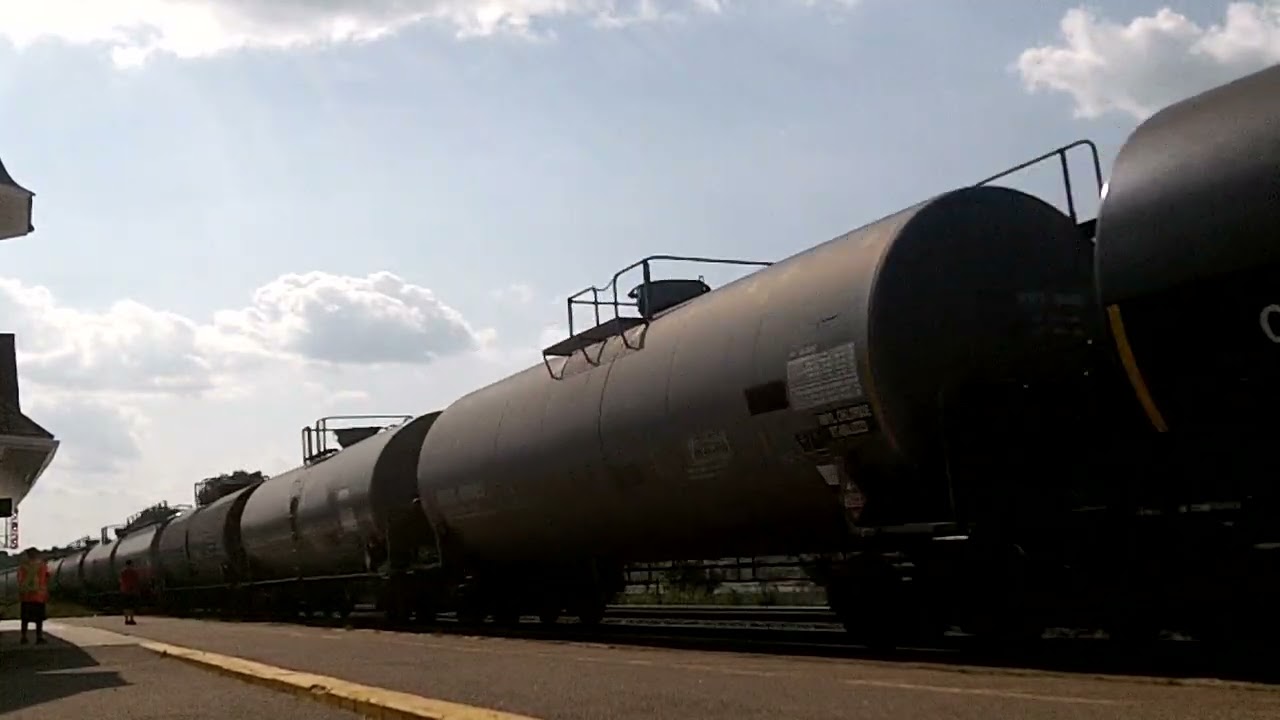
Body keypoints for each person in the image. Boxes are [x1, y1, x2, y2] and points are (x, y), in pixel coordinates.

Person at [17, 547, 49, 645]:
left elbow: (19, 579)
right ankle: (39, 637)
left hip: (26, 596)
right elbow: (46, 578)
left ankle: (24, 637)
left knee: (25, 619)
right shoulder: (42, 566)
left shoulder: (23, 567)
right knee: (39, 619)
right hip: (38, 596)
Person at [119, 559, 140, 626]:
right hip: (131, 591)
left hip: (125, 591)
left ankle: (126, 619)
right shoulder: (134, 572)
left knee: (126, 606)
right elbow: (136, 581)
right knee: (131, 606)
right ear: (131, 564)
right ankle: (131, 619)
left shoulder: (123, 572)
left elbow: (121, 580)